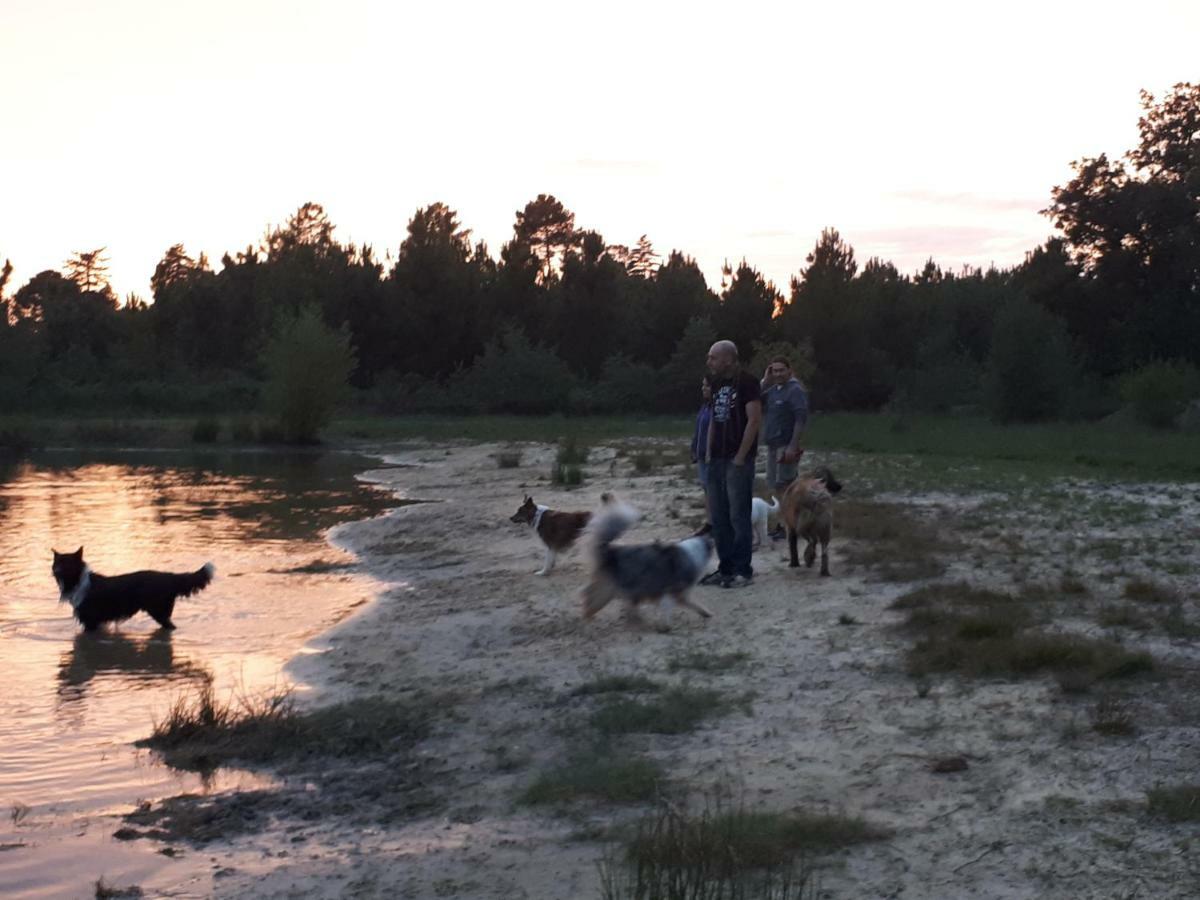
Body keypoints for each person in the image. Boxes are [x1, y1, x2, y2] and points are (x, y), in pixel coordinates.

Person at [700, 340, 762, 589]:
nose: (709, 362)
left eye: (712, 357)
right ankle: (724, 568)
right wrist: (708, 451)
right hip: (716, 457)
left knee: (739, 515)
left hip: (738, 459)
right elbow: (714, 419)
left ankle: (742, 570)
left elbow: (754, 420)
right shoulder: (715, 384)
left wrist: (740, 456)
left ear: (728, 358)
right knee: (719, 515)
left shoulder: (748, 382)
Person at [760, 356, 809, 539]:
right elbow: (754, 397)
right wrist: (765, 380)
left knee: (787, 486)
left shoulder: (795, 390)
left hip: (786, 446)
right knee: (776, 486)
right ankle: (784, 525)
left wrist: (793, 446)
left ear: (789, 370)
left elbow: (800, 418)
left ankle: (792, 526)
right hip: (772, 445)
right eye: (774, 370)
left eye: (781, 370)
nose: (778, 374)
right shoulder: (773, 390)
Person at [690, 376, 714, 536]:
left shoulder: (716, 408)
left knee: (714, 491)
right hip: (701, 455)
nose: (703, 388)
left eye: (707, 386)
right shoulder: (705, 406)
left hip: (711, 456)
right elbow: (699, 429)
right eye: (702, 385)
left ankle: (719, 524)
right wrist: (694, 449)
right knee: (706, 490)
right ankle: (710, 523)